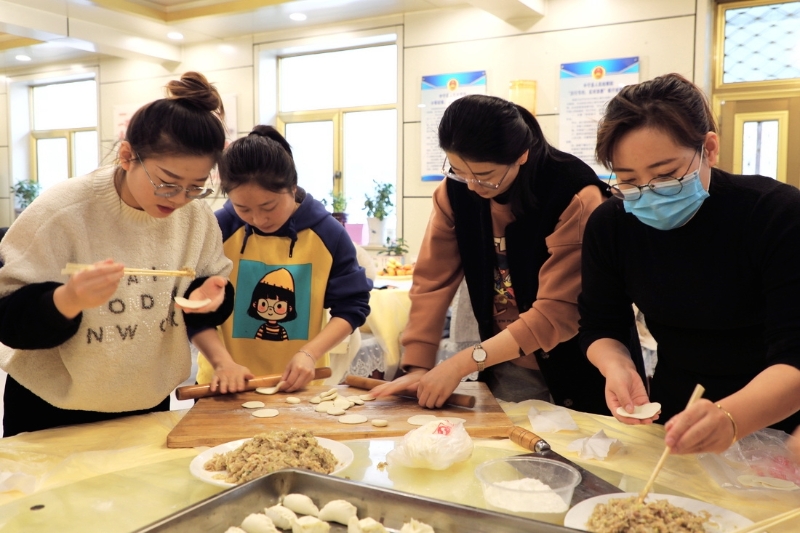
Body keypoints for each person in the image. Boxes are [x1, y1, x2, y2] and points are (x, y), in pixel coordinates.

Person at [0, 72, 237, 437]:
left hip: (145, 402)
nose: (179, 199)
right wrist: (67, 299)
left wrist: (209, 296)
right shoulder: (63, 211)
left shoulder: (196, 217)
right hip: (50, 408)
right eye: (167, 183)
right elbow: (8, 317)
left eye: (195, 187)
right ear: (127, 156)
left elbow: (207, 284)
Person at [578, 73, 800, 454]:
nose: (648, 194)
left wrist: (731, 418)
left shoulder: (775, 215)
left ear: (709, 149)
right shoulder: (611, 225)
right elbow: (600, 324)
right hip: (676, 415)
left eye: (666, 176)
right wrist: (617, 367)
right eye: (629, 181)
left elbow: (796, 354)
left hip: (776, 421)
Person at [372, 94, 637, 411]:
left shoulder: (573, 193)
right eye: (457, 170)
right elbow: (432, 280)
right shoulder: (454, 191)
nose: (471, 186)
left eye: (485, 176)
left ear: (521, 155)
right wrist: (418, 365)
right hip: (504, 362)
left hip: (581, 363)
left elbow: (558, 311)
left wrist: (461, 363)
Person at [190, 125, 371, 393]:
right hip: (224, 382)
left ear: (292, 187)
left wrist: (310, 353)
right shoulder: (218, 230)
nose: (258, 219)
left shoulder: (328, 234)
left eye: (269, 206)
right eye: (243, 209)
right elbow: (194, 309)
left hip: (299, 385)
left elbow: (352, 306)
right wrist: (222, 363)